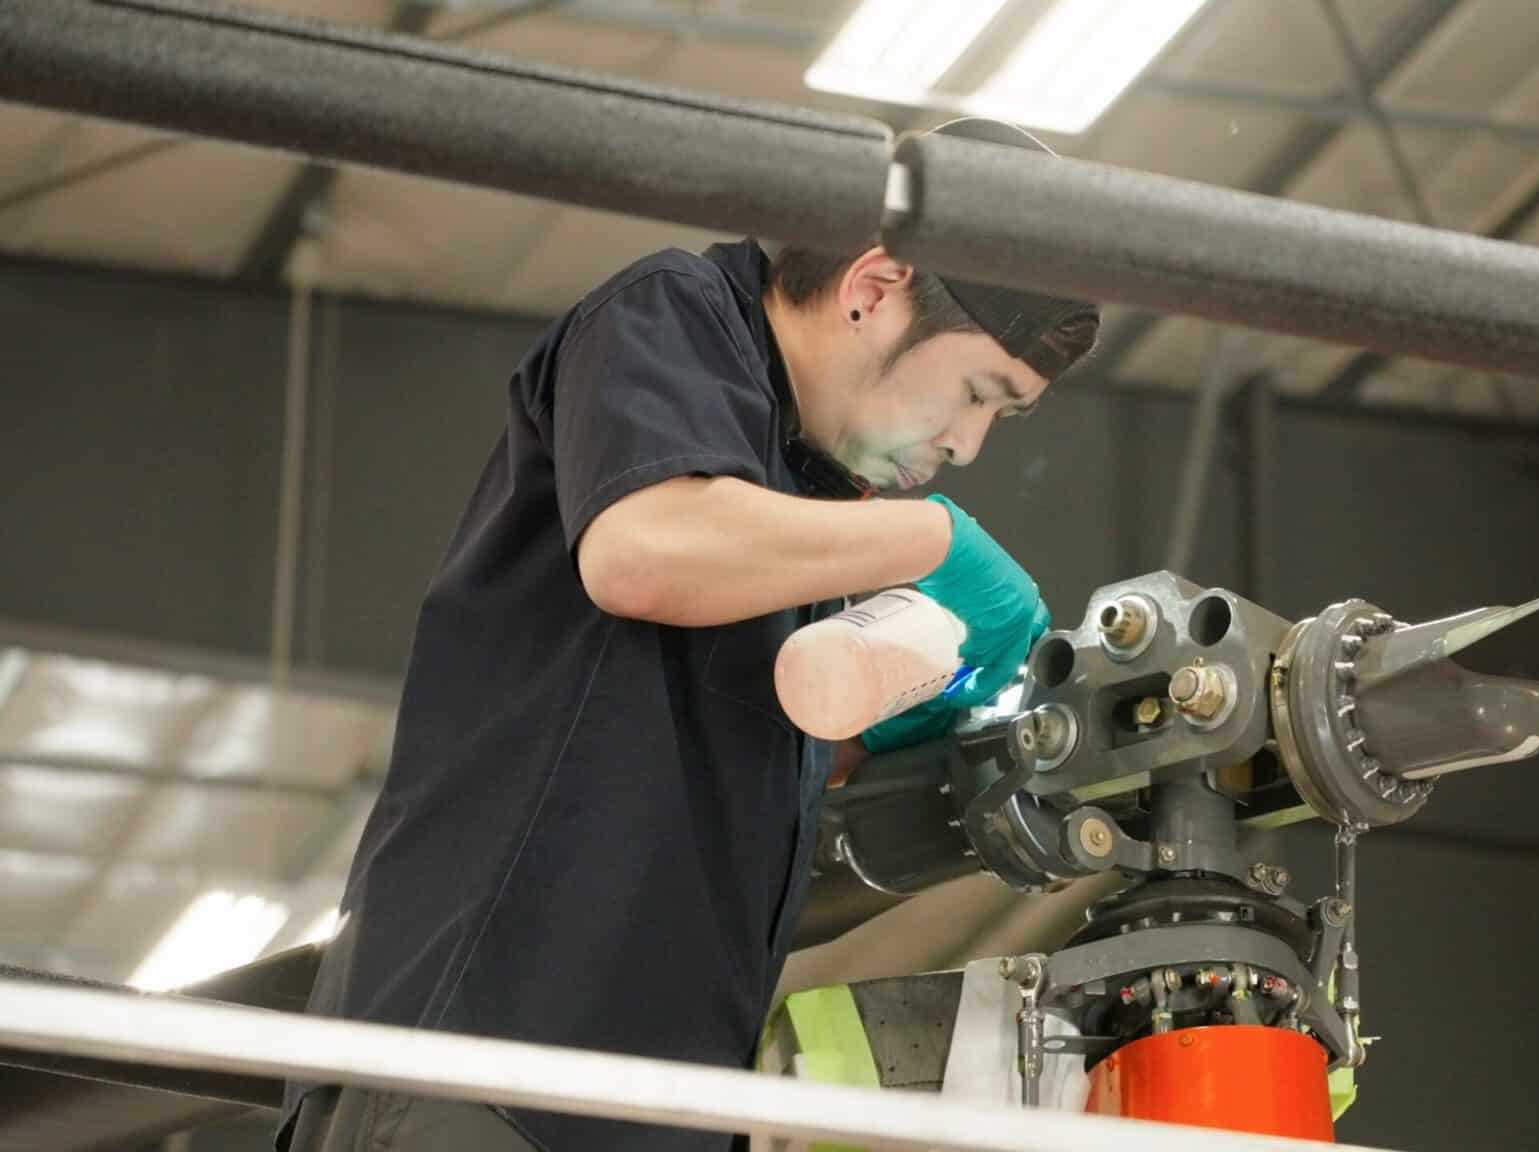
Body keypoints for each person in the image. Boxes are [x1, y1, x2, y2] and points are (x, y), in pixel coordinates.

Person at [279, 118, 1100, 1152]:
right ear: (873, 288)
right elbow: (641, 552)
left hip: (650, 1109)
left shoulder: (810, 502)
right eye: (979, 392)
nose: (966, 444)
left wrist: (894, 727)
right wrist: (935, 541)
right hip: (481, 1067)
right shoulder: (674, 315)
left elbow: (731, 772)